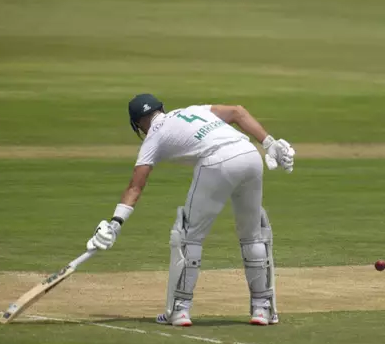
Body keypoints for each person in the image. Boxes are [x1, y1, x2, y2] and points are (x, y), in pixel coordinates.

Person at [85, 94, 295, 326]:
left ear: (137, 124)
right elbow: (237, 111)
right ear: (162, 108)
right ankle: (262, 309)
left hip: (217, 161)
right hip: (249, 155)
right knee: (252, 234)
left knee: (188, 237)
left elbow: (136, 186)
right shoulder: (195, 109)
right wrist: (269, 143)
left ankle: (180, 310)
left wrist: (115, 222)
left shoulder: (153, 137)